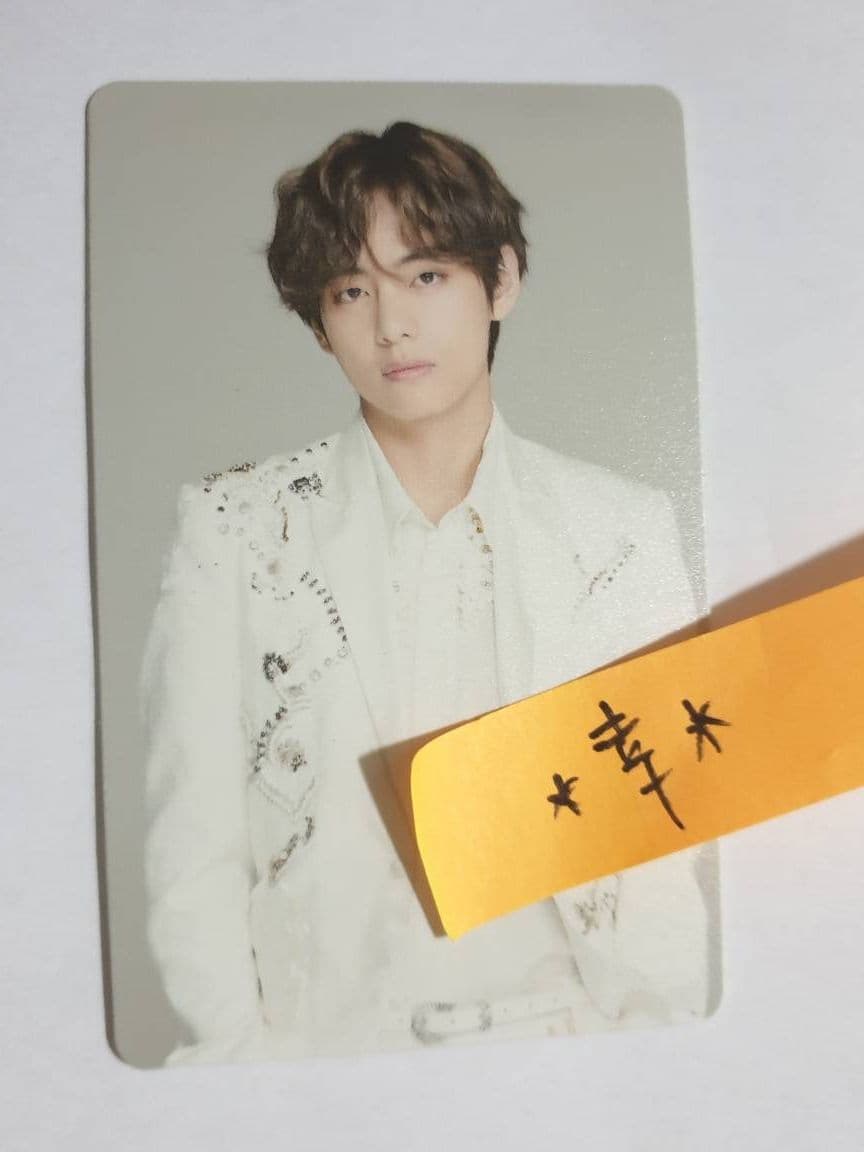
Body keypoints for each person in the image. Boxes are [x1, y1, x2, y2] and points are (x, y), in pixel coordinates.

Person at [141, 121, 713, 1066]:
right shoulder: (234, 526)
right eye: (350, 290)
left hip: (572, 1045)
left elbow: (661, 834)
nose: (391, 325)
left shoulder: (620, 530)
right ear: (319, 322)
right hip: (330, 1057)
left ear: (503, 279)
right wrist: (244, 1063)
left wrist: (649, 1046)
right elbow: (191, 840)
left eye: (427, 276)